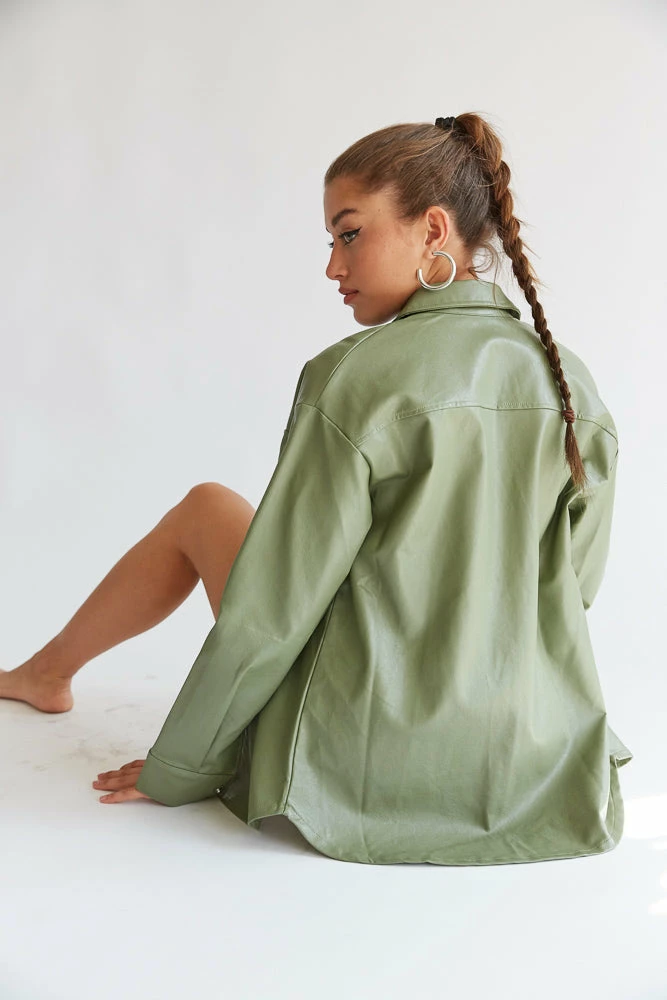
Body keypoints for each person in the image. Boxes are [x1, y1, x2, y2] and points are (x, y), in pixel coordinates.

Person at [1, 112, 633, 865]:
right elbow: (573, 589)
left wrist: (181, 768)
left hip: (363, 761)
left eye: (350, 234)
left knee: (207, 508)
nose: (334, 267)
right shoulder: (570, 383)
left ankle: (45, 674)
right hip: (523, 763)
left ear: (433, 229)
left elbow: (273, 611)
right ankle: (44, 672)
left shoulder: (354, 376)